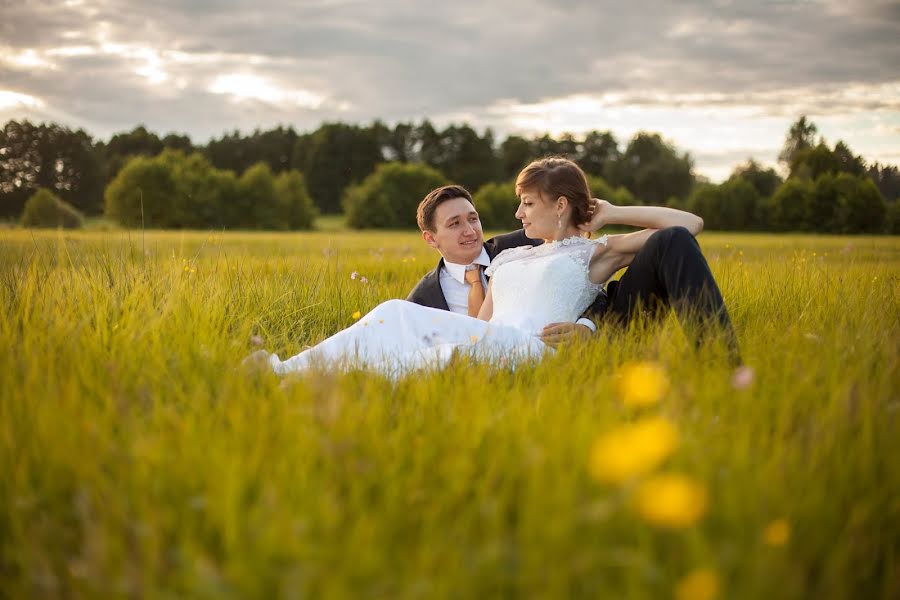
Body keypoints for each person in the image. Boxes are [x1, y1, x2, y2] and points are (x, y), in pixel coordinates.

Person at [256, 157, 738, 377]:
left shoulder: (593, 251)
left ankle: (722, 366)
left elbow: (686, 226)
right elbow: (480, 325)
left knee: (452, 358)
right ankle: (287, 374)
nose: (518, 215)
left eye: (527, 203)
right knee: (394, 311)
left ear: (561, 205)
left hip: (535, 348)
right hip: (494, 337)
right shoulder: (507, 256)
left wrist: (607, 213)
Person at [405, 185, 607, 347]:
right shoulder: (423, 298)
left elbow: (589, 284)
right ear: (430, 238)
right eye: (455, 224)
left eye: (473, 219)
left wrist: (586, 325)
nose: (470, 231)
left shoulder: (526, 244)